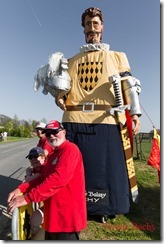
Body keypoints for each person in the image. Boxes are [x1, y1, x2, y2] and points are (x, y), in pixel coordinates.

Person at [53, 7, 142, 221]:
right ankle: (74, 204)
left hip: (107, 120)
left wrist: (135, 113)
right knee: (74, 168)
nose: (91, 28)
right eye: (87, 24)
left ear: (102, 27)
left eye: (95, 23)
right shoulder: (71, 61)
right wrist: (58, 96)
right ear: (83, 28)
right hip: (74, 121)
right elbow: (63, 88)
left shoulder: (117, 57)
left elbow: (129, 85)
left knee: (104, 170)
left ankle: (102, 209)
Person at [7, 120, 87, 240]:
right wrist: (21, 189)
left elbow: (57, 179)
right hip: (53, 219)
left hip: (66, 221)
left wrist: (27, 198)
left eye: (55, 132)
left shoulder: (70, 150)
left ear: (64, 132)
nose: (52, 136)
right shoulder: (53, 155)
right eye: (48, 134)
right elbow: (42, 178)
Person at [23, 147, 47, 240]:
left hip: (57, 206)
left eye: (35, 156)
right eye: (30, 157)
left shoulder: (45, 168)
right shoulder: (36, 169)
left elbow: (27, 181)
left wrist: (28, 173)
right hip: (46, 204)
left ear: (43, 157)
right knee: (34, 222)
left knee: (34, 221)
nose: (33, 159)